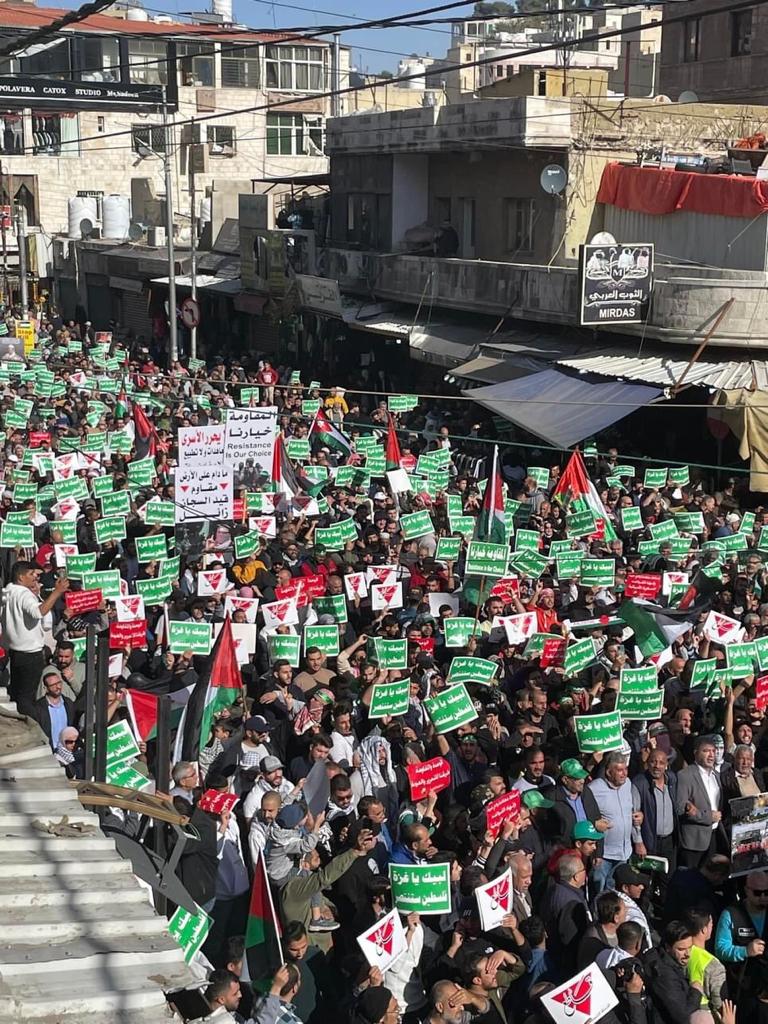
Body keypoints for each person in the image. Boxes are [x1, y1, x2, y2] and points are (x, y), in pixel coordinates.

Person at [2, 561, 69, 714]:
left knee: (17, 693)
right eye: (31, 574)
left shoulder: (9, 591)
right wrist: (57, 592)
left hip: (15, 652)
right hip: (30, 655)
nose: (35, 577)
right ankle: (30, 724)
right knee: (27, 697)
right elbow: (38, 612)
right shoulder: (24, 594)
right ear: (21, 577)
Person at [588, 751, 642, 893]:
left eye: (625, 769)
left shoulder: (628, 784)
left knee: (617, 894)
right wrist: (594, 824)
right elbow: (583, 815)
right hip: (603, 855)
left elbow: (634, 813)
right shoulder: (594, 788)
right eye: (619, 770)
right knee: (599, 894)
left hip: (624, 854)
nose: (624, 774)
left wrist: (638, 839)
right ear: (608, 772)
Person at [676, 736, 724, 868]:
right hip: (694, 841)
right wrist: (707, 816)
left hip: (714, 837)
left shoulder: (716, 775)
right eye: (706, 751)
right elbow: (680, 807)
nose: (711, 755)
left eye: (713, 751)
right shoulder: (685, 775)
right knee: (691, 877)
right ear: (695, 753)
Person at [643, 921, 704, 1024]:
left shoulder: (662, 958)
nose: (688, 954)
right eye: (681, 949)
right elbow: (683, 1016)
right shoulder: (664, 975)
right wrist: (696, 991)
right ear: (668, 947)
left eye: (690, 947)